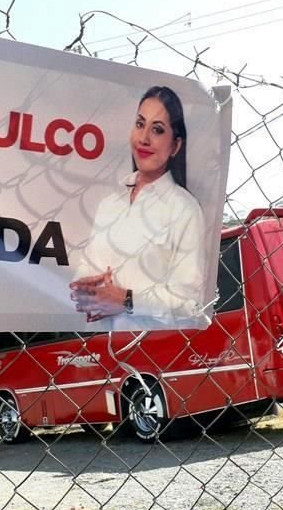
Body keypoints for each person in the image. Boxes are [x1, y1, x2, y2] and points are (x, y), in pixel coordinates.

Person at [69, 86, 207, 330]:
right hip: (96, 347)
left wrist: (126, 300)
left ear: (175, 146)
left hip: (153, 353)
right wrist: (84, 290)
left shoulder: (184, 209)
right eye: (140, 124)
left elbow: (189, 305)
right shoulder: (109, 205)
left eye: (157, 129)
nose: (144, 138)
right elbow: (85, 273)